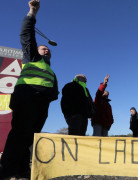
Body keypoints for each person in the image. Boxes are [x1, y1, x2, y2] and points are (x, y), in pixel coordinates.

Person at [0, 0, 59, 179]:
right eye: (43, 48)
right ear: (35, 50)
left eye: (48, 49)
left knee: (30, 137)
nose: (46, 49)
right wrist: (32, 12)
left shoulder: (49, 69)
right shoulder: (31, 56)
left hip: (41, 102)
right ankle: (6, 171)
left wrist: (51, 96)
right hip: (27, 95)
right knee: (20, 133)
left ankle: (23, 171)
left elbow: (54, 88)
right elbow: (26, 34)